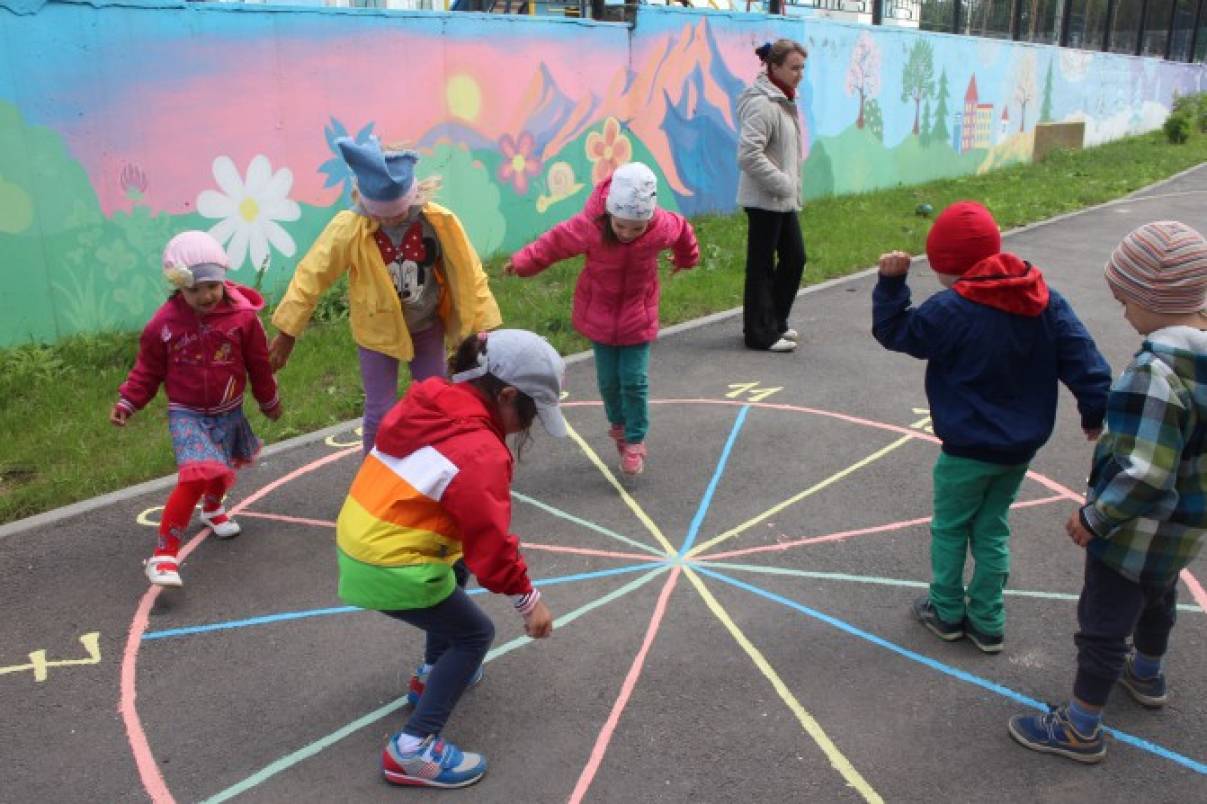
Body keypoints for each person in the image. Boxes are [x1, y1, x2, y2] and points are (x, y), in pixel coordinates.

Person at [872, 201, 1111, 653]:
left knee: (950, 528)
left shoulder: (951, 309)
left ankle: (945, 611)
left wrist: (891, 284)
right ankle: (987, 620)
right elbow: (1084, 358)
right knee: (992, 527)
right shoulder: (1045, 300)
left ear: (949, 266)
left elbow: (896, 332)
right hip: (1017, 452)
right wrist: (1094, 411)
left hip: (964, 452)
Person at [1008, 221, 1207, 764]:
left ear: (1150, 297)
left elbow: (1145, 473)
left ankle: (1080, 728)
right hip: (1184, 529)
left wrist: (1096, 518)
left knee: (1102, 624)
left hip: (1133, 532)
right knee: (1159, 596)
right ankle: (1146, 674)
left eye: (1124, 302)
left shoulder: (1157, 370)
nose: (1123, 314)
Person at [336, 329, 563, 788]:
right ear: (506, 395)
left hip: (363, 536)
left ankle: (430, 676)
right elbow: (493, 546)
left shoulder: (434, 399)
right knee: (475, 634)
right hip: (390, 560)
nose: (531, 424)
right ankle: (413, 748)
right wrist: (528, 600)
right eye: (532, 412)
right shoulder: (480, 450)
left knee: (454, 566)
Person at [269, 136, 501, 454]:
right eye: (381, 214)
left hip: (426, 325)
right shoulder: (349, 227)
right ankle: (372, 475)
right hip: (376, 334)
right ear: (365, 203)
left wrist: (484, 324)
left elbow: (470, 273)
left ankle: (433, 469)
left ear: (414, 195)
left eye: (398, 212)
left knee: (435, 400)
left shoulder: (438, 221)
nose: (391, 220)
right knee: (380, 410)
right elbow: (311, 275)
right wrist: (287, 332)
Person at [503, 162, 698, 476]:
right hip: (600, 315)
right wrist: (523, 262)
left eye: (637, 228)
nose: (627, 234)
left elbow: (683, 231)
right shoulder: (590, 226)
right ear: (609, 214)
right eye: (621, 226)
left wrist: (687, 258)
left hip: (638, 314)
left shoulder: (660, 226)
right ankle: (619, 428)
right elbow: (554, 243)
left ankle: (635, 440)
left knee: (634, 380)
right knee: (608, 382)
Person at [111, 231, 282, 588]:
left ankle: (213, 509)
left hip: (229, 409)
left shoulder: (242, 319)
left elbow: (259, 363)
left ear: (222, 279)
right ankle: (165, 555)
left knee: (220, 469)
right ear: (178, 288)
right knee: (195, 475)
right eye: (195, 289)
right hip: (187, 413)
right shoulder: (164, 325)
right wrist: (129, 401)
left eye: (212, 286)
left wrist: (268, 400)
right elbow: (148, 369)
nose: (205, 296)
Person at [737, 38, 808, 353]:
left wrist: (787, 187)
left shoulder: (783, 98)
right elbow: (748, 155)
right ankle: (759, 333)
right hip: (765, 200)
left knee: (795, 258)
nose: (799, 73)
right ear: (774, 67)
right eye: (794, 67)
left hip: (781, 199)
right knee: (762, 266)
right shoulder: (763, 103)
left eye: (802, 67)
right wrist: (782, 183)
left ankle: (774, 322)